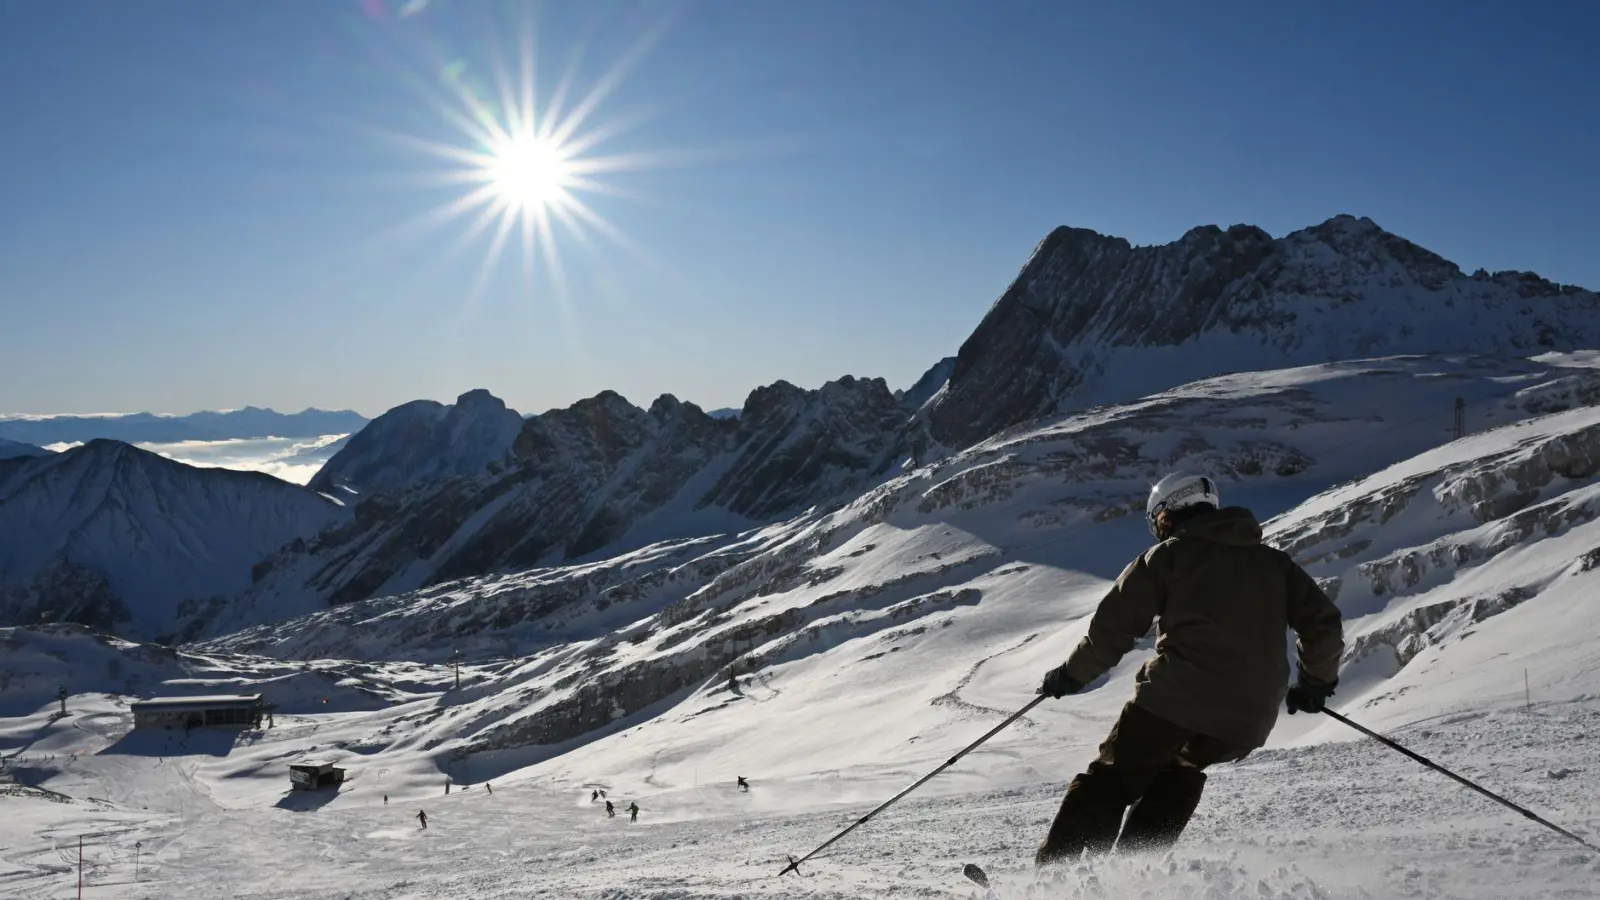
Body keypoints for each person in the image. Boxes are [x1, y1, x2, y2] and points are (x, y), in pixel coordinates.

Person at [1033, 472, 1344, 866]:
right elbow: (1324, 626)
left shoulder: (1168, 557)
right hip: (1248, 719)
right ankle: (1133, 879)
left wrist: (1070, 674)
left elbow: (1112, 630)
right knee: (1178, 771)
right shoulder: (1274, 564)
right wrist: (1315, 682)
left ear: (1165, 515)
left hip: (1175, 698)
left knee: (1113, 779)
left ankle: (1053, 881)